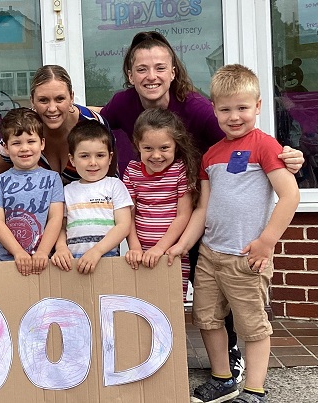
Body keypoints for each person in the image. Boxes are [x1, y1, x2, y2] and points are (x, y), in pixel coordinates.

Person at [96, 30, 305, 381]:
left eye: (160, 67)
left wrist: (285, 155)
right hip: (163, 209)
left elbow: (242, 132)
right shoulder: (123, 104)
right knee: (198, 297)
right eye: (142, 69)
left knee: (223, 297)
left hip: (192, 204)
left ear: (173, 71)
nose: (152, 76)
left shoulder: (197, 108)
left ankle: (235, 362)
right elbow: (96, 120)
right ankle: (156, 360)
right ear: (130, 75)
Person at [167, 64, 300, 403]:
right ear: (214, 110)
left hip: (247, 257)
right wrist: (183, 246)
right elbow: (202, 210)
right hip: (210, 254)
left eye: (242, 107)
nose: (234, 116)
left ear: (257, 106)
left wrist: (266, 242)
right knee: (207, 319)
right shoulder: (210, 155)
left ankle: (254, 390)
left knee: (252, 326)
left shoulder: (266, 146)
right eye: (225, 109)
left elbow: (290, 195)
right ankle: (223, 379)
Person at [0, 65, 115, 186]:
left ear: (71, 97)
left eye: (60, 99)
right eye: (43, 100)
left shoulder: (94, 125)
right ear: (32, 101)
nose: (52, 108)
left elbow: (110, 177)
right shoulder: (23, 127)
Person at [123, 108, 200, 300]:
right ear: (137, 145)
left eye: (164, 148)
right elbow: (128, 215)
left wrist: (160, 248)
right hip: (139, 256)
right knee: (142, 304)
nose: (156, 155)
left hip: (171, 255)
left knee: (171, 306)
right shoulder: (132, 171)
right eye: (148, 148)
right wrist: (134, 246)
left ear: (176, 145)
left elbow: (184, 215)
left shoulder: (180, 170)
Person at [0, 107, 64, 275]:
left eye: (31, 141)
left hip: (45, 263)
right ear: (5, 147)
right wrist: (18, 252)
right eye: (16, 143)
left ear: (42, 143)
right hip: (8, 263)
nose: (24, 148)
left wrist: (43, 251)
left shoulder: (53, 179)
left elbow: (56, 218)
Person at [51, 119, 132, 274]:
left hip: (107, 260)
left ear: (110, 157)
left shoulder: (115, 186)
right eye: (84, 156)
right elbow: (60, 226)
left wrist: (97, 251)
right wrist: (60, 248)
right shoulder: (66, 191)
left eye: (100, 155)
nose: (93, 162)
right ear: (72, 160)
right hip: (71, 264)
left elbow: (123, 225)